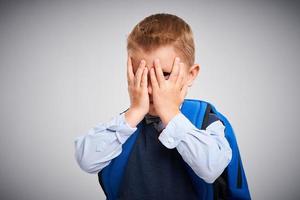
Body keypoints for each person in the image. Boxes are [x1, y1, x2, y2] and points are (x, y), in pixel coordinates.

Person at [74, 13, 232, 200]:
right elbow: (87, 160)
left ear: (191, 75)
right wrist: (135, 112)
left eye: (164, 74)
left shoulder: (206, 120)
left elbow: (211, 169)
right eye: (140, 74)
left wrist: (171, 114)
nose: (151, 88)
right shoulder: (124, 125)